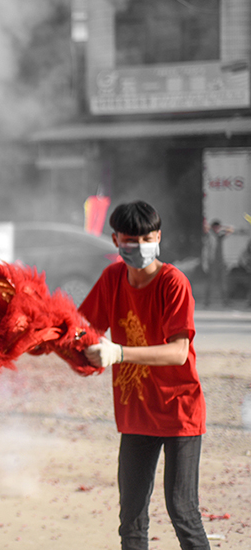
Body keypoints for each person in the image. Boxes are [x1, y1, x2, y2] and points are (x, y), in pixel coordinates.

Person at [79, 200, 210, 550]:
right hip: (136, 413)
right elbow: (83, 328)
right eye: (131, 241)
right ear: (115, 240)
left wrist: (119, 353)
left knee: (183, 511)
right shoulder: (112, 278)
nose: (139, 248)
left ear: (159, 237)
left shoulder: (173, 283)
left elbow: (178, 351)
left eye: (147, 239)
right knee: (131, 519)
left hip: (178, 411)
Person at [202, 219, 233, 306]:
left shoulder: (219, 236)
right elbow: (206, 250)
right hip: (212, 263)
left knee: (223, 282)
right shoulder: (210, 236)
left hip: (221, 263)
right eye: (216, 227)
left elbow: (231, 230)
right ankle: (207, 301)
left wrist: (222, 227)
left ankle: (225, 301)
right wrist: (206, 263)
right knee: (211, 282)